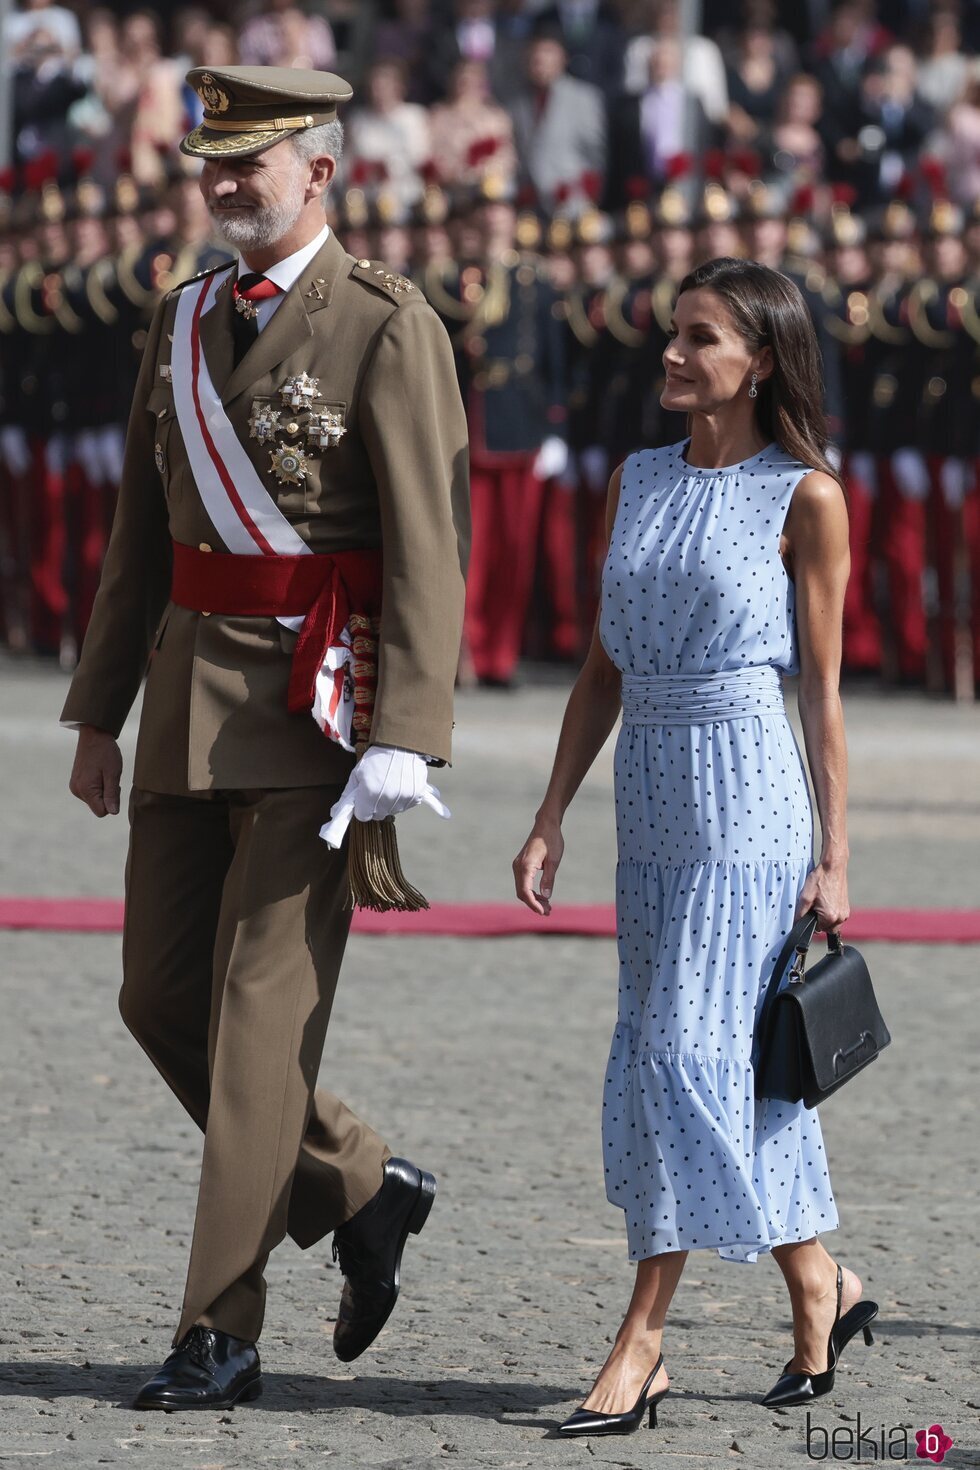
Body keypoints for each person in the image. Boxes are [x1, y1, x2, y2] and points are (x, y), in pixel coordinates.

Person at [63, 64, 469, 1411]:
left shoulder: (384, 322)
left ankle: (217, 1326)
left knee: (251, 1030)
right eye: (212, 162)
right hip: (184, 705)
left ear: (323, 171)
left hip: (315, 721)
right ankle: (357, 1180)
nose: (229, 182)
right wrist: (97, 708)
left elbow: (426, 541)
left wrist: (407, 730)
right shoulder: (179, 321)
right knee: (156, 997)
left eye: (256, 159)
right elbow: (138, 538)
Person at [513, 256, 879, 1435]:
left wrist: (833, 853)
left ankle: (643, 1341)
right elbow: (598, 665)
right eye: (670, 334)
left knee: (680, 1054)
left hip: (747, 802)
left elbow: (819, 693)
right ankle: (819, 1284)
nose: (669, 354)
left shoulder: (805, 496)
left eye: (699, 338)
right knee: (724, 1066)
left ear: (760, 359)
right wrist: (550, 811)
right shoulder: (635, 478)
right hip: (647, 800)